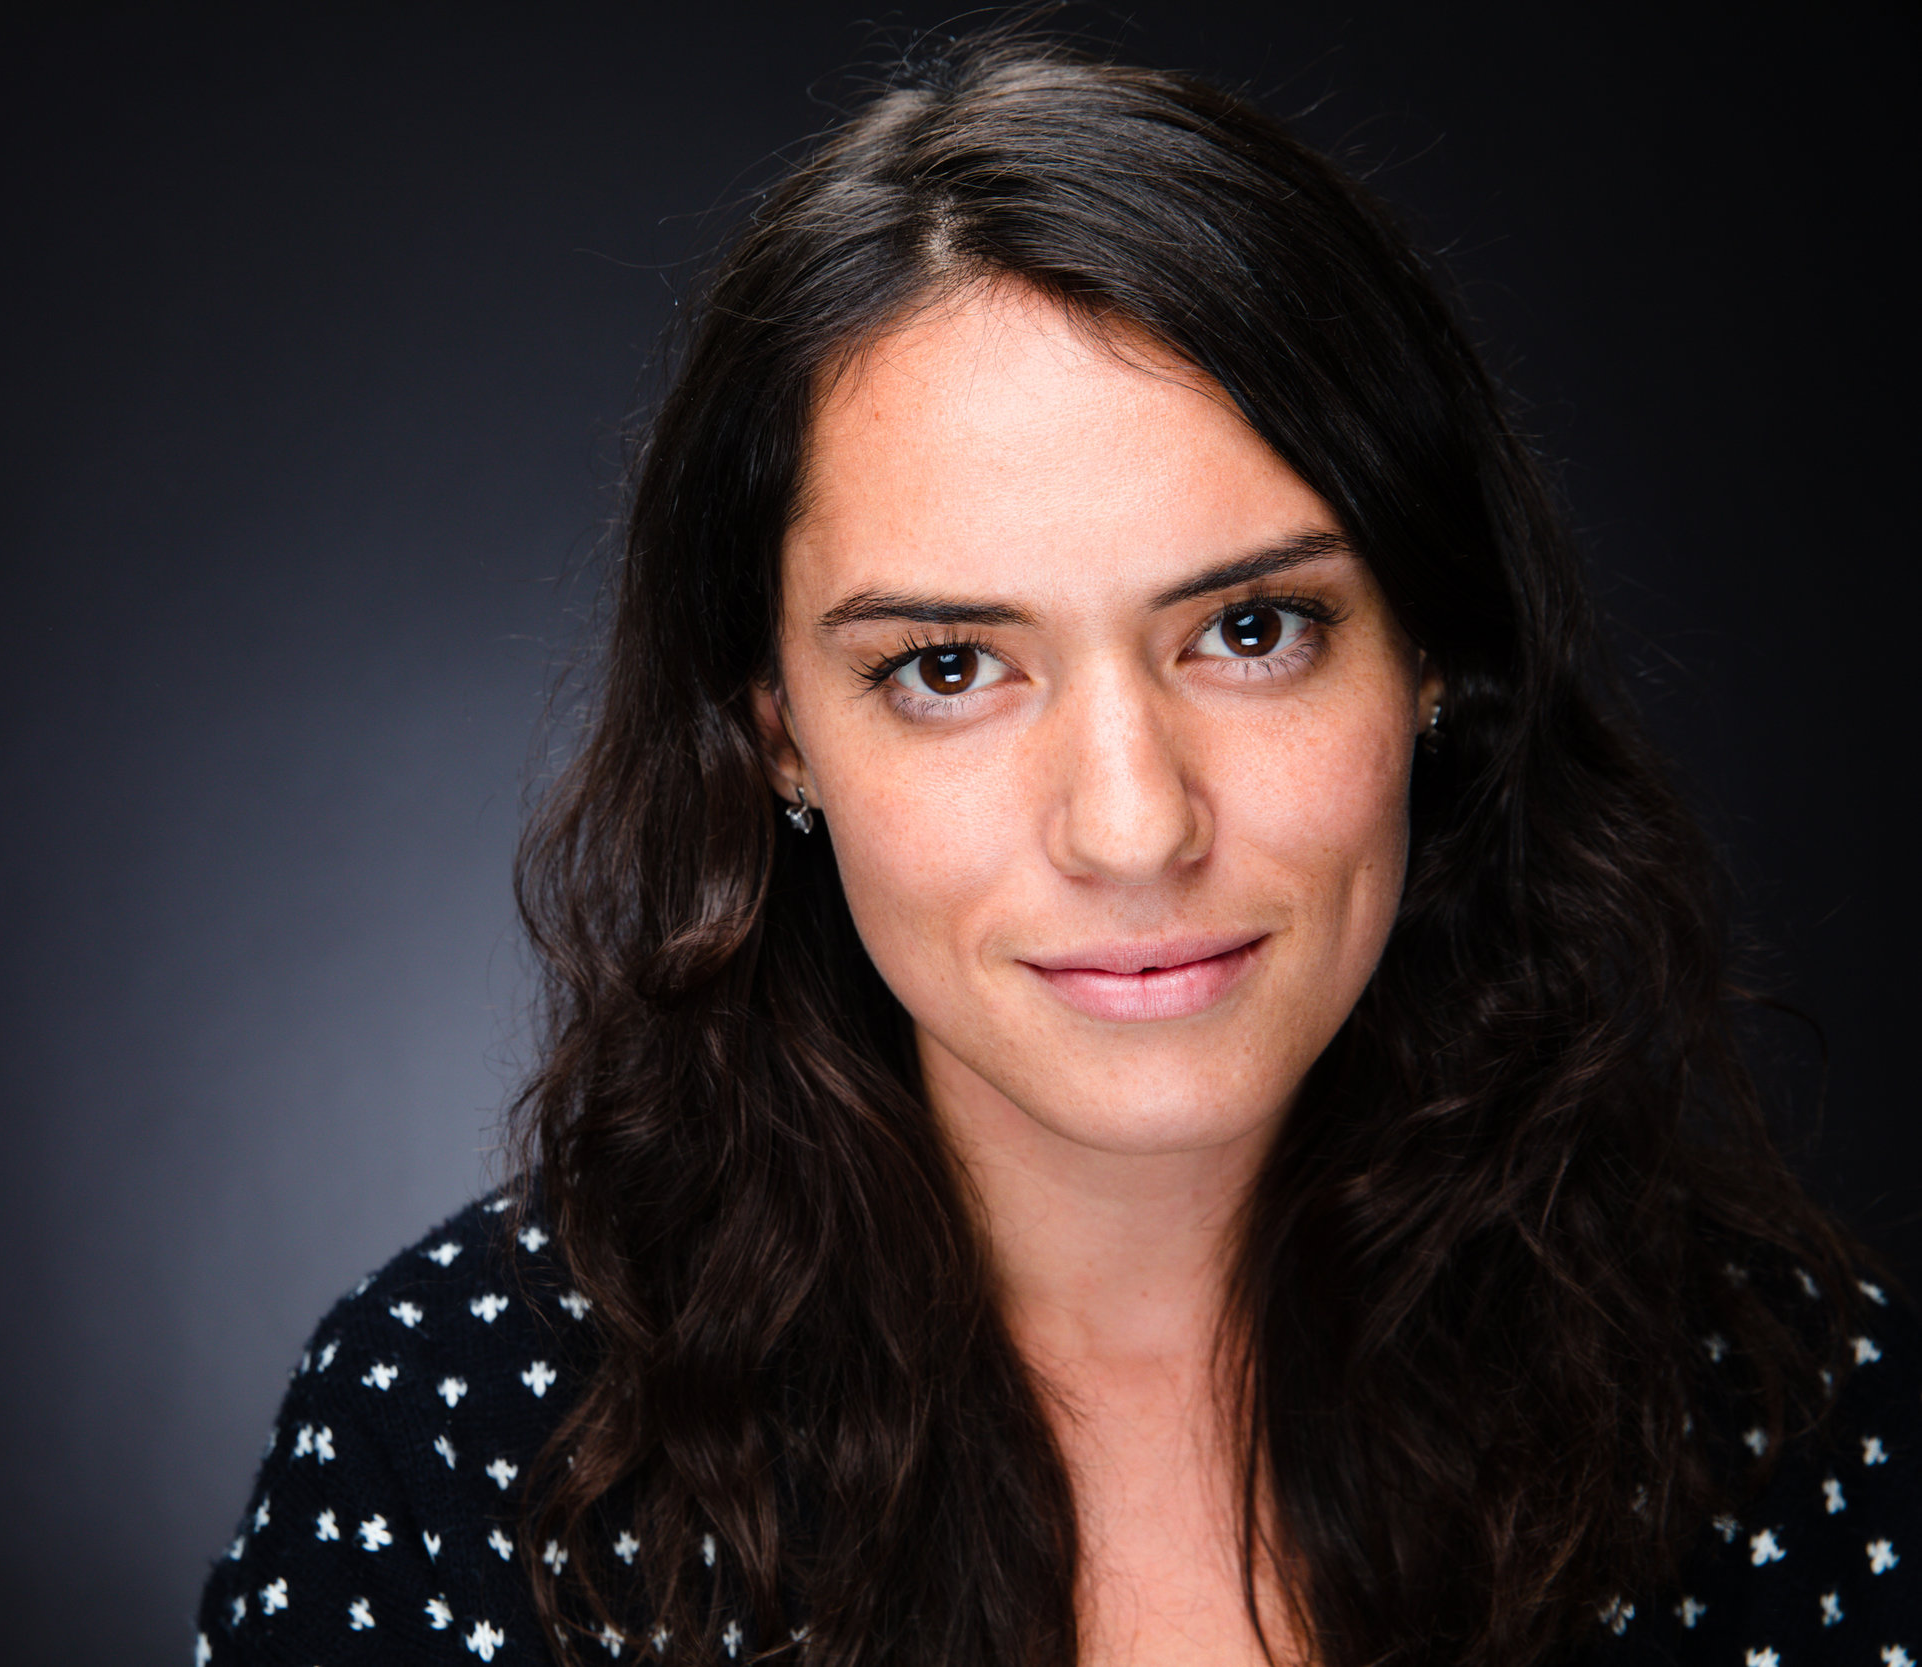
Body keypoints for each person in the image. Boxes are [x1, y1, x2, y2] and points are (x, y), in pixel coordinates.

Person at [196, 29, 1914, 1666]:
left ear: (1434, 653)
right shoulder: (459, 1447)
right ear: (778, 732)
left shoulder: (1806, 1428)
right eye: (949, 668)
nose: (1133, 825)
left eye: (1250, 630)